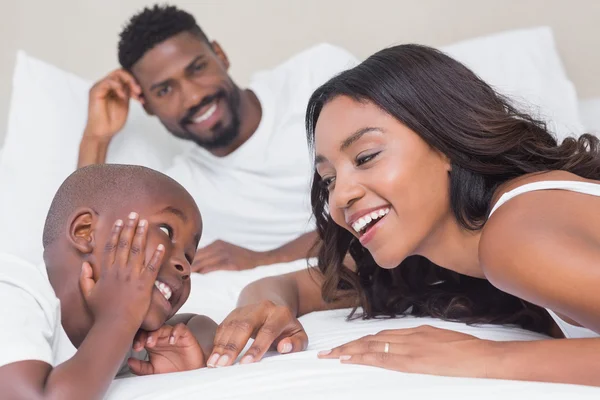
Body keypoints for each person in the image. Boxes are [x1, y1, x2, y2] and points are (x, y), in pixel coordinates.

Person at [207, 44, 600, 387]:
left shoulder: (514, 234)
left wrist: (483, 358)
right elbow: (295, 285)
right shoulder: (443, 257)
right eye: (328, 179)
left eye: (366, 157)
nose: (341, 195)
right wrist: (263, 305)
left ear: (444, 140)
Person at [78, 4, 358, 273]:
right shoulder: (181, 191)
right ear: (148, 106)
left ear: (220, 55)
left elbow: (390, 181)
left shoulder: (317, 75)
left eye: (197, 68)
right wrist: (95, 138)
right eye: (165, 90)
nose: (193, 97)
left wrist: (267, 258)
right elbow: (86, 252)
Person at [0, 164, 218, 399]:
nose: (185, 267)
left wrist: (184, 350)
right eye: (166, 231)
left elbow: (198, 324)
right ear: (85, 231)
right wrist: (117, 317)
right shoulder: (13, 290)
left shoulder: (121, 335)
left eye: (189, 256)